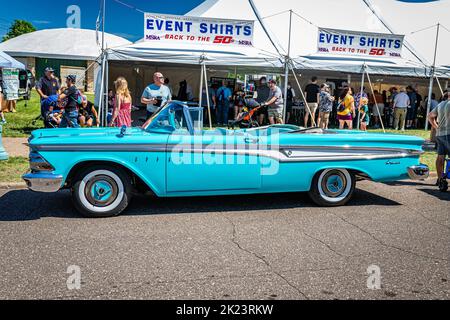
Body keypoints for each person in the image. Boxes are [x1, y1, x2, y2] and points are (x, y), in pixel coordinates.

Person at [428, 93, 450, 187]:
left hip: (440, 134)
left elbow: (430, 116)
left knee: (440, 157)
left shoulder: (440, 104)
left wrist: (436, 127)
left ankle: (440, 179)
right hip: (449, 133)